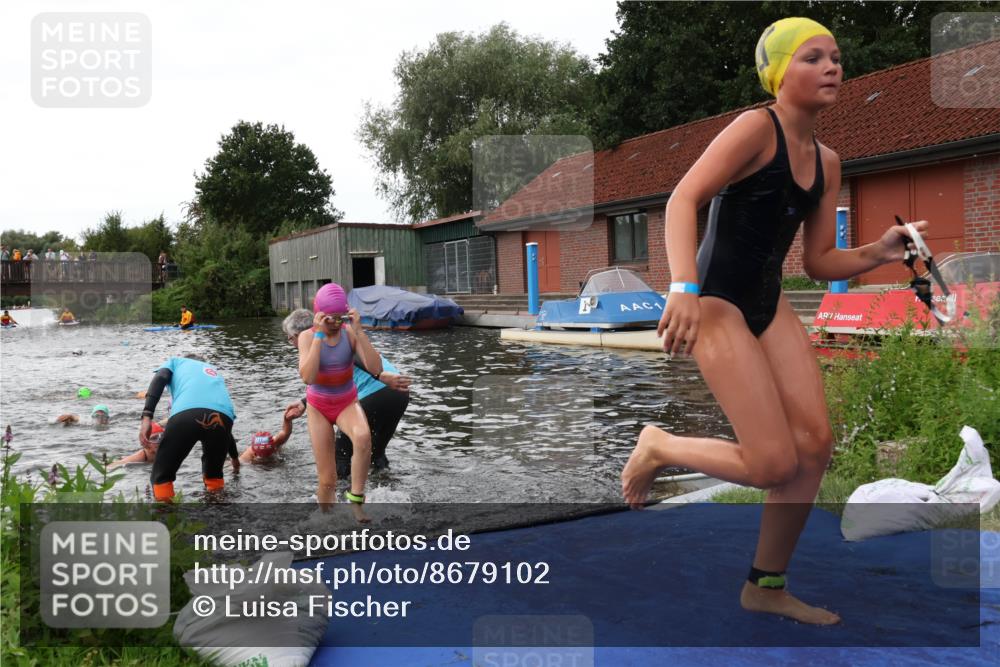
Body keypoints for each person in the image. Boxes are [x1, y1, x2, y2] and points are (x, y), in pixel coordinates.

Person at [620, 17, 930, 626]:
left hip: (767, 300)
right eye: (814, 57)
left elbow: (817, 262)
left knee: (814, 446)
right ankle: (658, 445)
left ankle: (765, 585)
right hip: (715, 302)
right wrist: (681, 287)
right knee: (769, 464)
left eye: (836, 56)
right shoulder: (753, 130)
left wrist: (882, 251)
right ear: (779, 73)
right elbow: (682, 199)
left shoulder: (829, 161)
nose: (833, 66)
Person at [282, 308, 412, 478]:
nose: (291, 342)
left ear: (301, 334)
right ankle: (387, 490)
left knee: (341, 454)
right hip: (398, 394)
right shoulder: (332, 338)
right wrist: (304, 402)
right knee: (375, 451)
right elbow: (334, 384)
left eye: (291, 338)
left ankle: (343, 498)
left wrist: (380, 376)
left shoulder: (323, 342)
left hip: (379, 389)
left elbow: (355, 360)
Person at [298, 284, 379, 522]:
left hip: (346, 402)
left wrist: (359, 331)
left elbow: (376, 369)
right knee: (327, 480)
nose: (335, 323)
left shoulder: (349, 333)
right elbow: (308, 377)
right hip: (319, 408)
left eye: (339, 318)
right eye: (329, 318)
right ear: (319, 315)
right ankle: (325, 521)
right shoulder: (307, 337)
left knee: (363, 437)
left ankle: (356, 501)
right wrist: (319, 336)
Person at [139, 352, 240, 502]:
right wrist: (235, 458)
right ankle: (218, 515)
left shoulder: (176, 362)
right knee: (213, 475)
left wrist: (147, 416)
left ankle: (167, 517)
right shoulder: (213, 373)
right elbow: (224, 426)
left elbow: (160, 377)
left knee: (161, 476)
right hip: (224, 417)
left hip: (187, 414)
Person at [235, 403, 303, 463]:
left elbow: (286, 432)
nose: (265, 458)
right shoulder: (247, 456)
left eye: (268, 455)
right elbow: (234, 463)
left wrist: (287, 419)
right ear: (255, 454)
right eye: (262, 457)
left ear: (274, 448)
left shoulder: (276, 442)